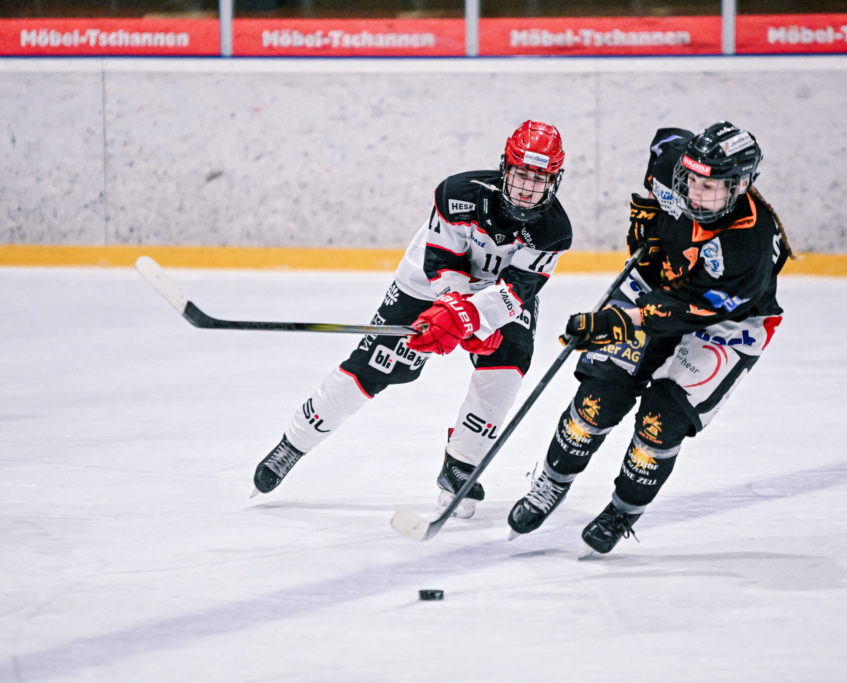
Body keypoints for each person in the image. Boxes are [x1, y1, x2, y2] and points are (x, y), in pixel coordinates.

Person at [253, 120, 573, 519]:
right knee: (375, 364)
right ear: (505, 168)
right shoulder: (458, 194)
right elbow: (441, 261)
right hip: (425, 285)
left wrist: (473, 318)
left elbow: (517, 290)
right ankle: (293, 443)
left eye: (539, 179)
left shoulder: (554, 231)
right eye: (522, 174)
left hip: (494, 298)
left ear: (554, 181)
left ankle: (460, 465)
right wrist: (455, 310)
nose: (527, 188)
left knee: (508, 366)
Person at [507, 121, 793, 555]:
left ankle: (623, 510)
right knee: (598, 397)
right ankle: (551, 482)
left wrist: (616, 322)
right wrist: (646, 215)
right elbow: (664, 143)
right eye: (691, 180)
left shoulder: (748, 248)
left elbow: (690, 309)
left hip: (726, 325)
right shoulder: (674, 164)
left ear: (739, 186)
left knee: (662, 421)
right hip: (658, 284)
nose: (695, 193)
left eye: (710, 187)